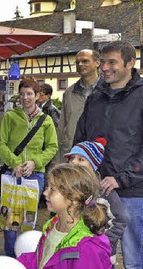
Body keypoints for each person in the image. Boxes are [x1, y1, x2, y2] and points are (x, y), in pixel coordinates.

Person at [74, 40, 143, 269]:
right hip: (97, 193)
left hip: (133, 194)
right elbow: (81, 139)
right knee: (98, 257)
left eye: (112, 62)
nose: (104, 68)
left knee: (134, 261)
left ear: (130, 63)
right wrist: (82, 173)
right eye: (102, 62)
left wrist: (121, 179)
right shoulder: (95, 97)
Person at [0, 75, 58, 258]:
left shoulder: (45, 120)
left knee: (28, 219)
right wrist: (15, 163)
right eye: (22, 94)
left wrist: (35, 162)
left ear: (37, 95)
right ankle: (9, 256)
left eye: (29, 94)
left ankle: (26, 256)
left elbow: (52, 147)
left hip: (34, 176)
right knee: (9, 218)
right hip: (12, 174)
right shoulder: (10, 117)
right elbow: (1, 144)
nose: (25, 98)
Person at [17, 164, 112, 269]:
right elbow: (42, 260)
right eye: (47, 187)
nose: (45, 192)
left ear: (74, 197)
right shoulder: (53, 225)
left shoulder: (86, 249)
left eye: (52, 189)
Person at [65, 138, 127, 266]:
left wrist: (101, 241)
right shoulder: (66, 189)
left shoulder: (105, 192)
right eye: (72, 158)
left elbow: (120, 220)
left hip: (100, 256)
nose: (74, 162)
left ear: (93, 165)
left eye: (81, 159)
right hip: (72, 254)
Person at [56, 49, 101, 163]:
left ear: (97, 63)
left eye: (85, 61)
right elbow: (62, 126)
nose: (80, 64)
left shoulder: (107, 91)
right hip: (72, 153)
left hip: (98, 155)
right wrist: (58, 159)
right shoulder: (69, 93)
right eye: (77, 62)